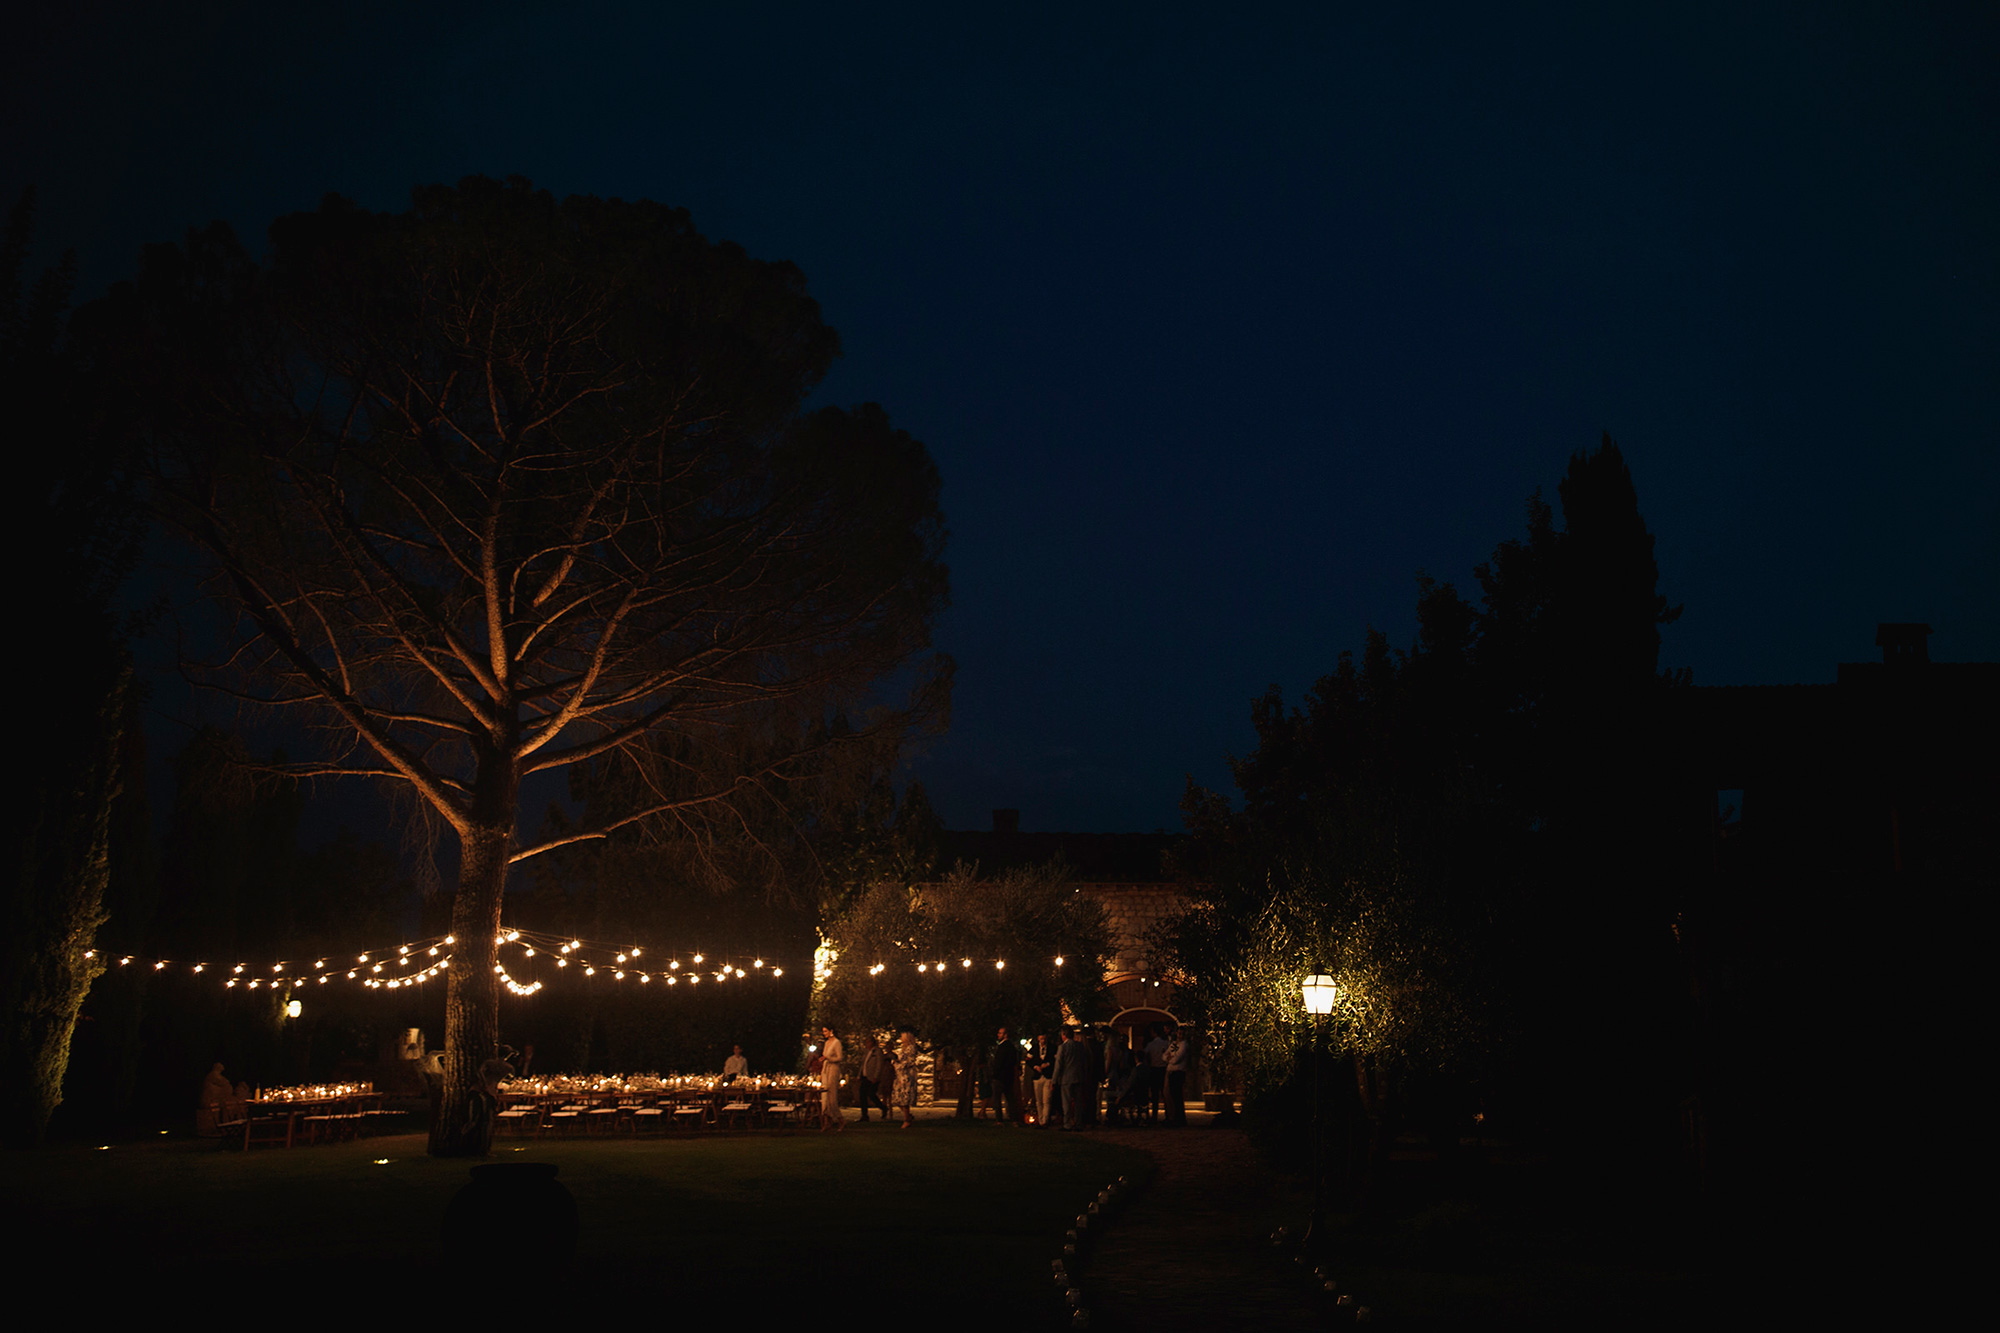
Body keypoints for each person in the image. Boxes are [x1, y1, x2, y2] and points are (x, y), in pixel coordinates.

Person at [1053, 1028, 1091, 1130]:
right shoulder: (1079, 1046)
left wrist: (1054, 1080)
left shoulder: (1063, 1047)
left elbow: (1059, 1065)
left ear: (1064, 1035)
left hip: (1066, 1078)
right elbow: (1084, 1062)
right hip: (1078, 1077)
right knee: (1078, 1102)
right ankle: (1078, 1122)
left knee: (1066, 1102)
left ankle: (1067, 1123)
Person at [990, 1027, 1024, 1124]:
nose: (998, 1035)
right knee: (1010, 1099)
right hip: (1009, 1077)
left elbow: (999, 1063)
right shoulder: (1012, 1047)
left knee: (997, 1099)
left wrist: (994, 1074)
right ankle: (1014, 1119)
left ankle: (999, 1119)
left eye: (1000, 1033)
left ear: (1005, 1035)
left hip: (1000, 1077)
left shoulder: (1002, 1047)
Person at [818, 1026, 845, 1131]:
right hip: (826, 1069)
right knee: (824, 1096)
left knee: (831, 1096)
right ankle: (826, 1121)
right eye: (823, 1031)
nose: (824, 1033)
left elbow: (839, 1057)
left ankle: (840, 1119)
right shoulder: (827, 1043)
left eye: (825, 1031)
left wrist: (828, 1058)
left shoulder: (836, 1042)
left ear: (831, 1031)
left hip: (833, 1069)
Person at [891, 1029, 919, 1128]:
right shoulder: (904, 1048)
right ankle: (907, 1116)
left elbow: (909, 1062)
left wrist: (898, 1064)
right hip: (900, 1076)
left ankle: (907, 1119)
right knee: (898, 1098)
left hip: (905, 1076)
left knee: (904, 1099)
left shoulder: (910, 1048)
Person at [196, 1062, 233, 1136]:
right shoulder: (213, 1075)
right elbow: (223, 1082)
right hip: (211, 1100)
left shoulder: (217, 1076)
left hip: (217, 1099)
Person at [1143, 1024, 1170, 1123]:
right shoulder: (1165, 1044)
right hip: (1163, 1069)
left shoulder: (1151, 1045)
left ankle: (1154, 1116)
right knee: (1164, 1094)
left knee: (1155, 1095)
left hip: (1154, 1069)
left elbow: (1145, 1055)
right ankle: (1168, 1115)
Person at [1164, 1025, 1189, 1126]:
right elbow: (1164, 1056)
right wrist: (1169, 1058)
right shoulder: (1174, 1044)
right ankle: (1173, 1117)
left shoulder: (1184, 1045)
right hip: (1171, 1071)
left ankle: (1179, 1118)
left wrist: (1170, 1058)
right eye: (1178, 1033)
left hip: (1178, 1072)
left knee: (1177, 1096)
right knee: (1171, 1096)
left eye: (1181, 1034)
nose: (1179, 1035)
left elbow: (1176, 1059)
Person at [858, 1036, 888, 1121]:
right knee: (862, 1095)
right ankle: (864, 1115)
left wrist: (876, 1076)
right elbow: (863, 1064)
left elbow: (879, 1064)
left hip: (872, 1077)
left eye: (868, 1042)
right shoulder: (867, 1052)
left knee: (871, 1094)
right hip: (865, 1076)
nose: (866, 1044)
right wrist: (859, 1075)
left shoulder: (878, 1051)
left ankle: (883, 1107)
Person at [1030, 1032, 1057, 1127]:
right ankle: (1040, 1119)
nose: (1043, 1041)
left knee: (1047, 1099)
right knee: (1039, 1100)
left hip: (1047, 1076)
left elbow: (1056, 1060)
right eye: (1041, 1039)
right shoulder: (1034, 1048)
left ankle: (1045, 1120)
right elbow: (1028, 1060)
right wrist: (1035, 1066)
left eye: (1044, 1039)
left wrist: (1048, 1064)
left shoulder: (1053, 1048)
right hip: (1037, 1076)